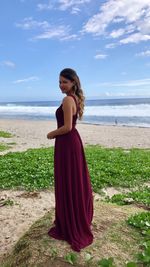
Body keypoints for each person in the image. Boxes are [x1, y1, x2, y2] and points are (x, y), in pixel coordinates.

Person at [47, 68, 93, 252]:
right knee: (70, 180)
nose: (61, 85)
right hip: (70, 143)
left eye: (64, 82)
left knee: (68, 180)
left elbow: (66, 127)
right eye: (59, 82)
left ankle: (69, 222)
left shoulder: (68, 99)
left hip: (67, 142)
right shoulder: (72, 98)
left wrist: (51, 133)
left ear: (73, 82)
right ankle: (71, 218)